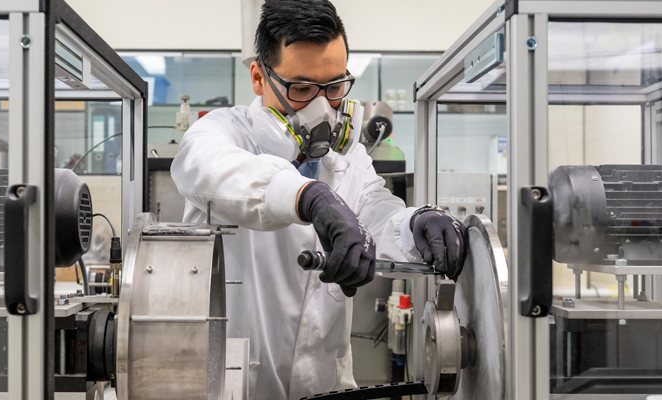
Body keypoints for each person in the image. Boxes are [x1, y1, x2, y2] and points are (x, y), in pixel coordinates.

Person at [170, 0, 468, 398]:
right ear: (259, 78)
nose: (321, 109)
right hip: (229, 388)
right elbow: (206, 166)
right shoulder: (224, 134)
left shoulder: (347, 158)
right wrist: (309, 196)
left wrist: (416, 224)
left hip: (326, 386)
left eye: (334, 87)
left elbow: (376, 214)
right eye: (302, 89)